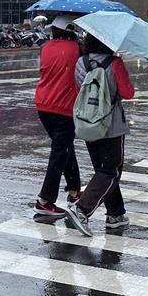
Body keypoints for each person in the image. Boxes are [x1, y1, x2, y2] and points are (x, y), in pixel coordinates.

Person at [64, 33, 135, 235]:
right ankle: (82, 210)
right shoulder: (115, 63)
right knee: (111, 172)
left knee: (103, 171)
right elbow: (128, 93)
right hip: (111, 126)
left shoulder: (81, 62)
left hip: (87, 122)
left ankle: (116, 215)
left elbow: (80, 89)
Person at [31, 16, 83, 218]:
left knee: (65, 148)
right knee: (60, 152)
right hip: (64, 107)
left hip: (43, 104)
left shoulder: (46, 47)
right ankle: (44, 201)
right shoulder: (77, 49)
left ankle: (74, 191)